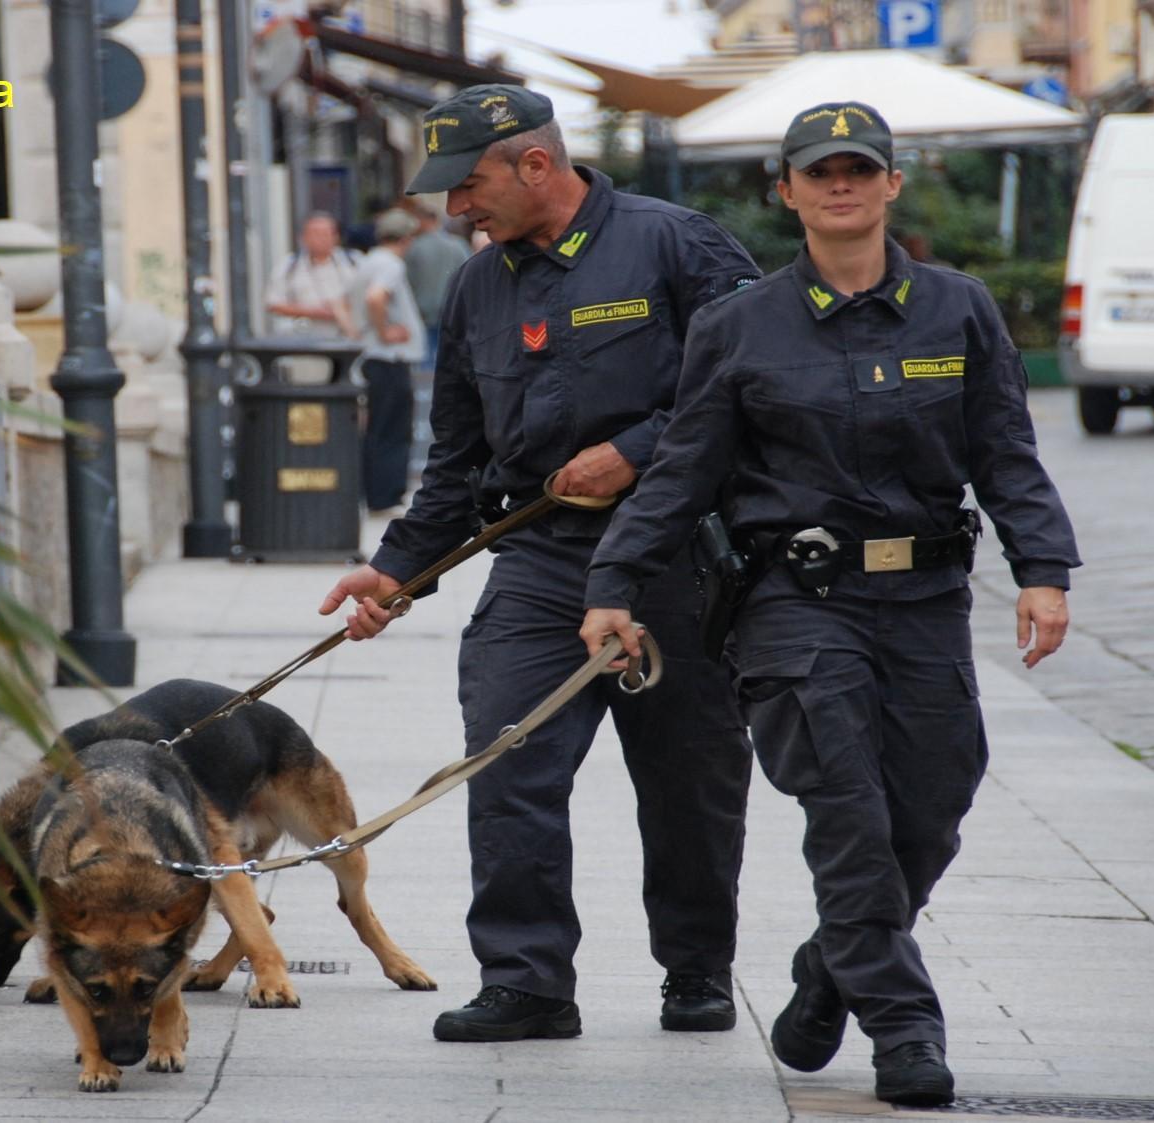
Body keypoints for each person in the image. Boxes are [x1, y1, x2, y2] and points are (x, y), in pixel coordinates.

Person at [578, 102, 1081, 1107]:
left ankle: (827, 975)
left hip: (927, 599)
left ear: (892, 183)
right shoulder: (736, 325)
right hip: (796, 607)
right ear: (787, 191)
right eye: (819, 172)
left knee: (930, 810)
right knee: (847, 813)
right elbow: (679, 474)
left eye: (859, 169)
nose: (839, 185)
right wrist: (612, 586)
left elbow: (1003, 452)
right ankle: (903, 1027)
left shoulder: (958, 308)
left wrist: (1042, 568)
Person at [317, 84, 762, 1044]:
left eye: (468, 186)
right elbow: (456, 458)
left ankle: (696, 967)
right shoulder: (480, 285)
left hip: (677, 561)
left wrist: (640, 447)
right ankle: (526, 980)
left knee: (689, 779)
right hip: (542, 562)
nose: (455, 211)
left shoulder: (679, 244)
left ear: (535, 165)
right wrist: (395, 569)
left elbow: (751, 386)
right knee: (507, 756)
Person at [349, 208, 425, 512]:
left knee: (377, 427)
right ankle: (387, 494)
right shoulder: (390, 264)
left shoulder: (367, 261)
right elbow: (376, 298)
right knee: (393, 428)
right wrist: (384, 332)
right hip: (389, 356)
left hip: (371, 356)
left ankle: (375, 492)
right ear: (406, 238)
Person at [266, 211, 359, 340]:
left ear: (336, 237)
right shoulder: (289, 265)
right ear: (303, 237)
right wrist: (315, 312)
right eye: (315, 234)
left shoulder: (354, 261)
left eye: (326, 234)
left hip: (349, 337)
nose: (320, 239)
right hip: (304, 340)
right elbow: (273, 304)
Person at [401, 202, 472, 370]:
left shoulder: (414, 248)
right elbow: (468, 278)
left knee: (424, 360)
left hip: (422, 311)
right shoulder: (458, 245)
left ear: (422, 221)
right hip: (452, 311)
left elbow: (408, 281)